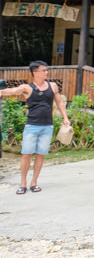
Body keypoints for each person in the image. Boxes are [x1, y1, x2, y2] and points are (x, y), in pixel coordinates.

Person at [0, 61, 70, 194]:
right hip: (32, 126)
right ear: (35, 73)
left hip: (47, 126)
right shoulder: (27, 88)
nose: (47, 72)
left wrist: (65, 117)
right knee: (26, 155)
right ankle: (23, 183)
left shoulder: (53, 86)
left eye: (47, 70)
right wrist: (1, 91)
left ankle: (34, 182)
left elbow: (59, 103)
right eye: (44, 70)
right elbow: (12, 91)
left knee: (40, 155)